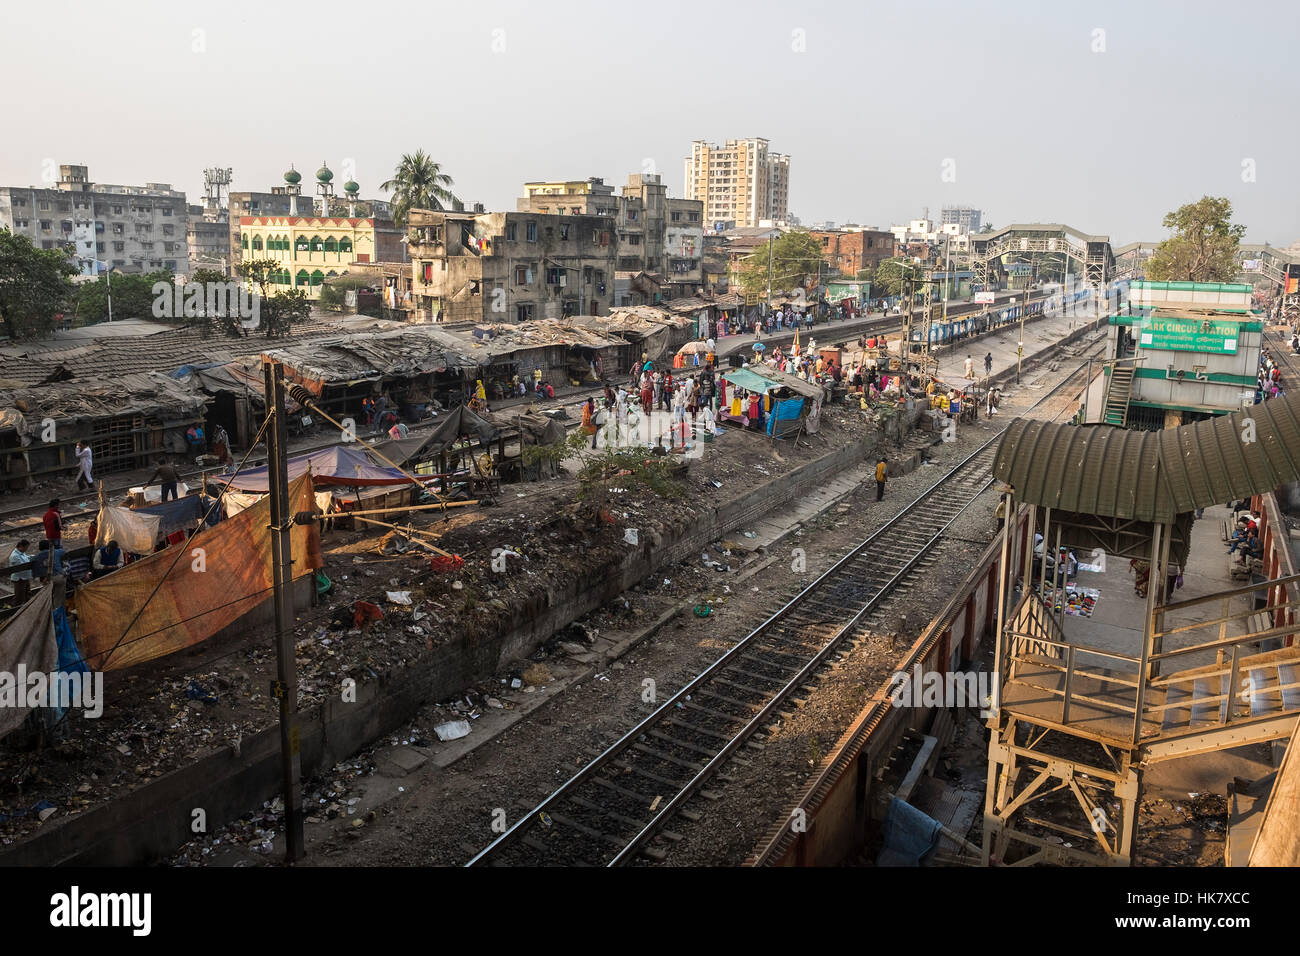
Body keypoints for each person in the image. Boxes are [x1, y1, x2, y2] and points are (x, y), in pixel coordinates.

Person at [9, 539, 32, 605]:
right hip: (20, 578)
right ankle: (16, 609)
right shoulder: (15, 556)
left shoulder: (21, 553)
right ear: (21, 546)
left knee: (27, 594)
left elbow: (27, 558)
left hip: (25, 577)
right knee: (19, 596)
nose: (26, 549)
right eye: (26, 547)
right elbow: (22, 566)